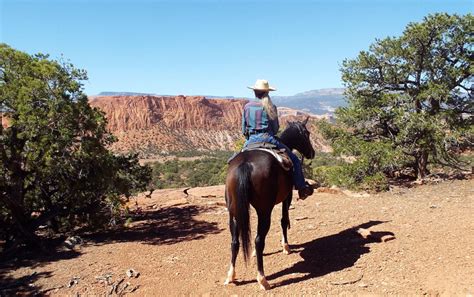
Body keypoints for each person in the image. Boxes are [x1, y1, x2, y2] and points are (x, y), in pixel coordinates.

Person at [242, 79, 313, 199]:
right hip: (268, 138)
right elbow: (275, 129)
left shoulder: (247, 107)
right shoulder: (271, 107)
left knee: (236, 159)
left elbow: (244, 129)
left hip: (251, 140)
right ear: (267, 92)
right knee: (295, 160)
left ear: (254, 92)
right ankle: (302, 189)